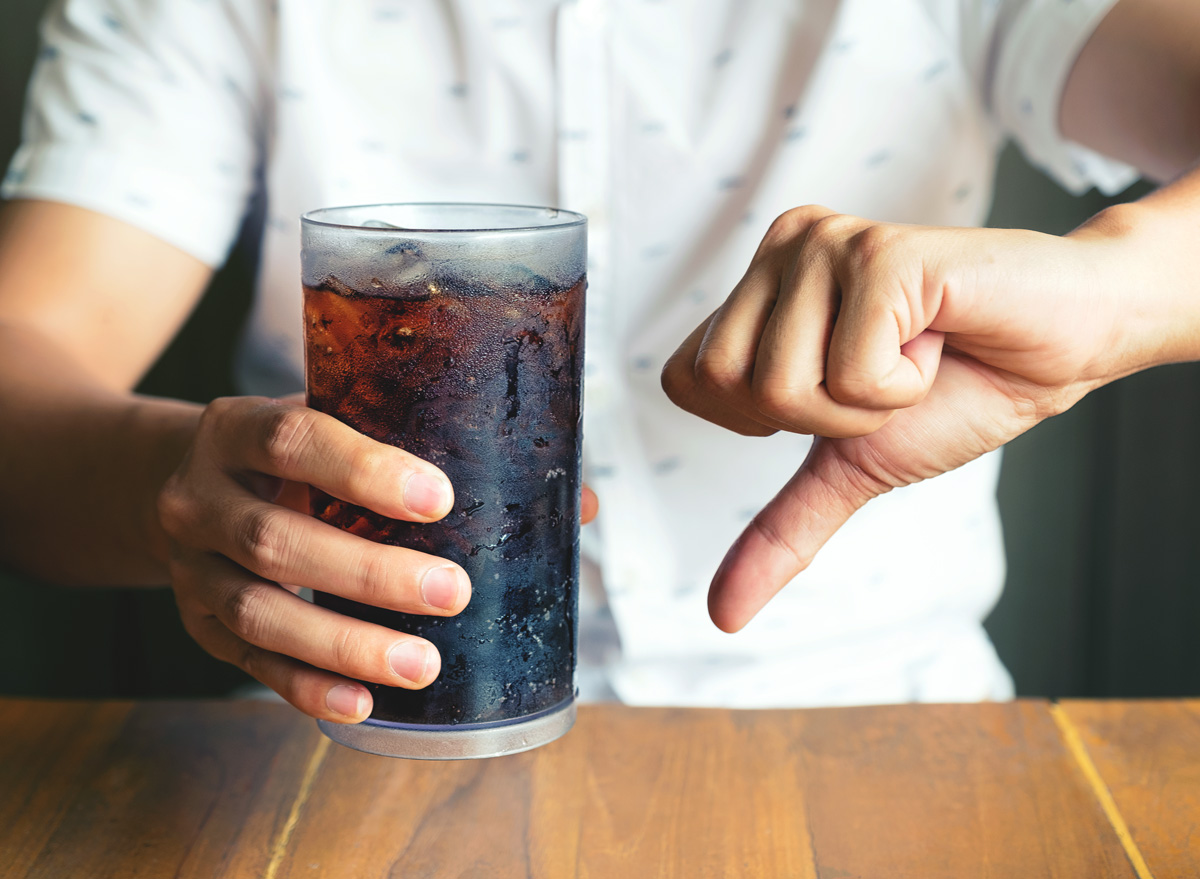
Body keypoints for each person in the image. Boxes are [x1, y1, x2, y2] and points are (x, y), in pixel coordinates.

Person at [1, 0, 1197, 721]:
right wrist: (185, 490)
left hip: (882, 728)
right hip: (354, 737)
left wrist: (1108, 294)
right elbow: (27, 358)